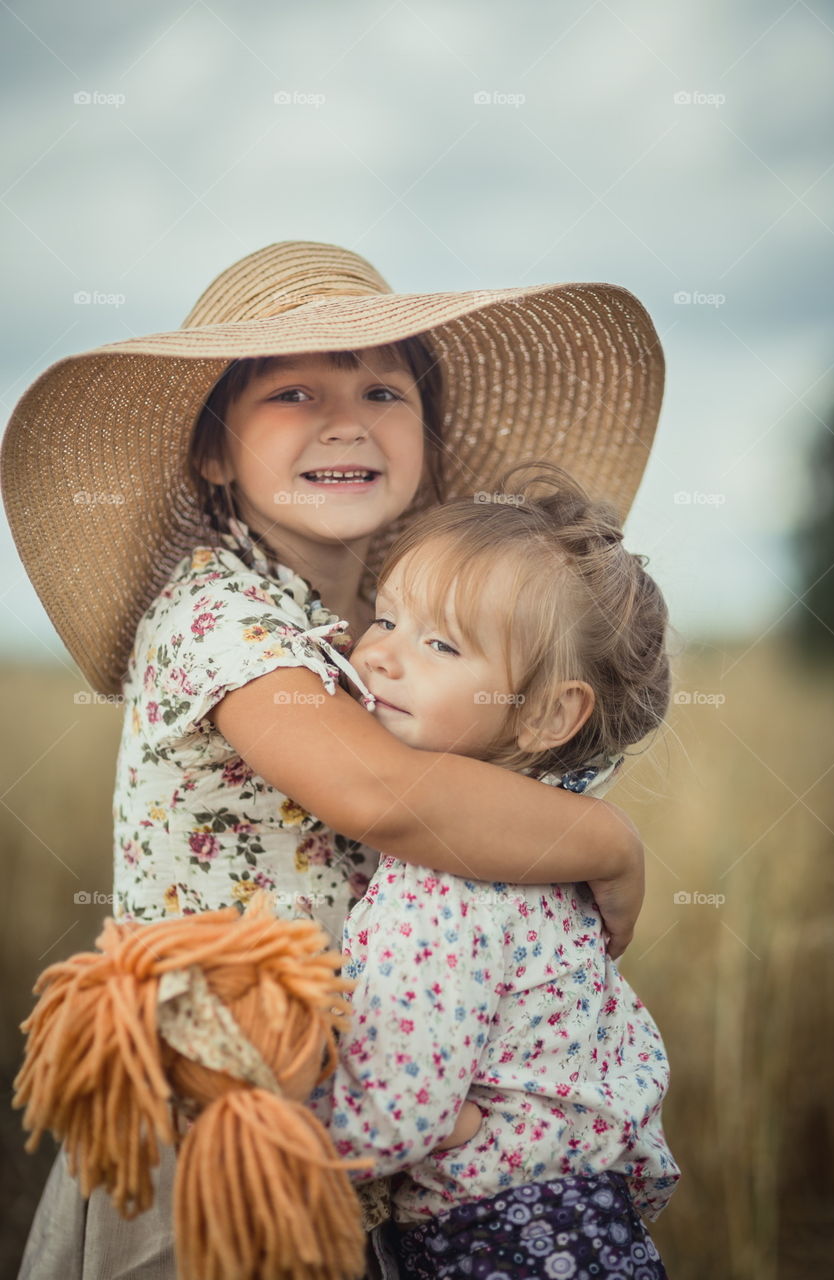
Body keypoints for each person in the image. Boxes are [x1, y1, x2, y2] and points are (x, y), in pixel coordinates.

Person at [3, 240, 666, 1279]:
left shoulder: (370, 624)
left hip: (344, 1095)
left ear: (425, 435)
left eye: (382, 388)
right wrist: (609, 842)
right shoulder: (215, 609)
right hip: (216, 1098)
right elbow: (382, 795)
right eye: (293, 391)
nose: (344, 416)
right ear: (215, 453)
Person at [308, 461, 680, 1278]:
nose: (381, 658)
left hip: (491, 1246)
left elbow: (388, 1119)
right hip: (593, 1231)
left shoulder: (443, 885)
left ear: (549, 713)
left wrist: (255, 1112)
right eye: (386, 620)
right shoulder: (551, 859)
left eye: (440, 644)